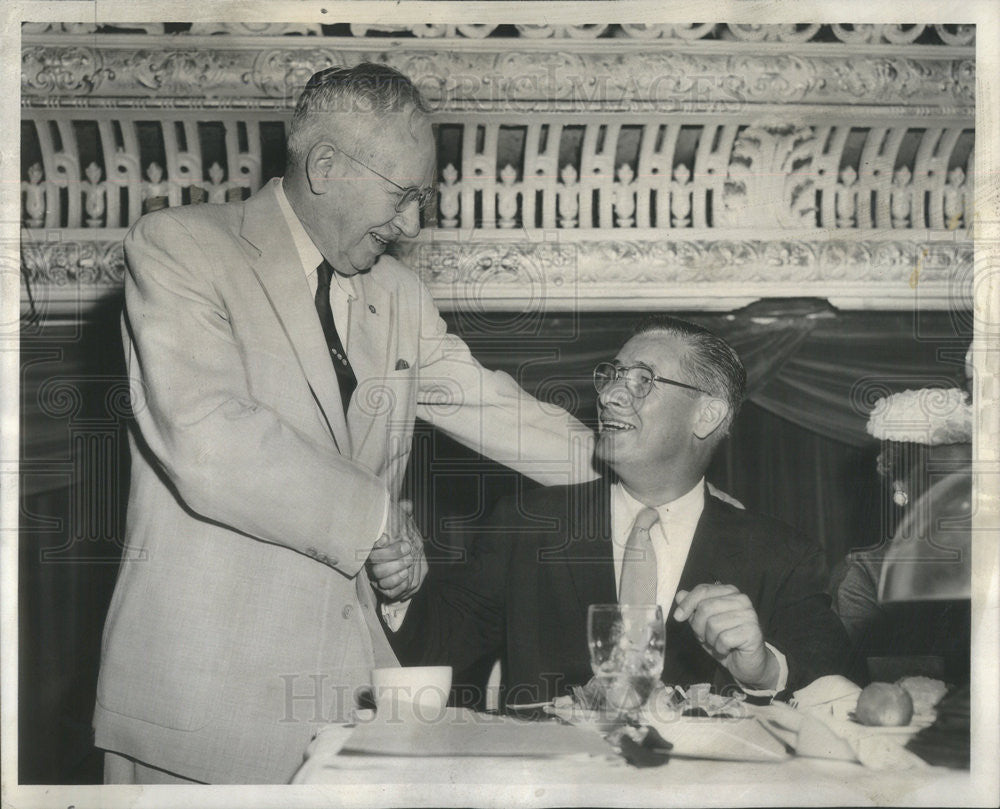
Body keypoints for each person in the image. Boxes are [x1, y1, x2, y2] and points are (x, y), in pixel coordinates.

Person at [93, 63, 595, 784]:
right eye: (402, 196)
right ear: (325, 166)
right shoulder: (181, 248)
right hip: (197, 715)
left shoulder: (397, 295)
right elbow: (211, 442)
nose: (412, 224)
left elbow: (495, 408)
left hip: (344, 720)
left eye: (423, 199)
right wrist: (377, 517)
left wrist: (630, 469)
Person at [389, 316, 854, 709]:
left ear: (707, 415)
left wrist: (763, 669)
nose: (610, 394)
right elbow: (429, 659)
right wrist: (399, 590)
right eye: (612, 375)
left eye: (642, 380)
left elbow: (845, 682)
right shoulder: (525, 525)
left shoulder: (779, 553)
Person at [833, 386, 972, 682]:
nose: (962, 495)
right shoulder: (867, 575)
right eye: (944, 480)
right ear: (902, 489)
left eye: (973, 478)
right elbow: (860, 683)